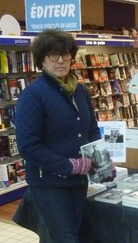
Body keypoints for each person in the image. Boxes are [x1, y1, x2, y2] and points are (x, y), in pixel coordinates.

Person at [14, 29, 101, 243]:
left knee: (72, 232)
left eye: (65, 54)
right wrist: (69, 165)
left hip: (78, 181)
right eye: (53, 55)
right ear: (42, 60)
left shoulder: (80, 91)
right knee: (66, 237)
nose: (60, 60)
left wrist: (101, 158)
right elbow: (28, 146)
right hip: (49, 183)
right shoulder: (33, 95)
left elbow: (91, 129)